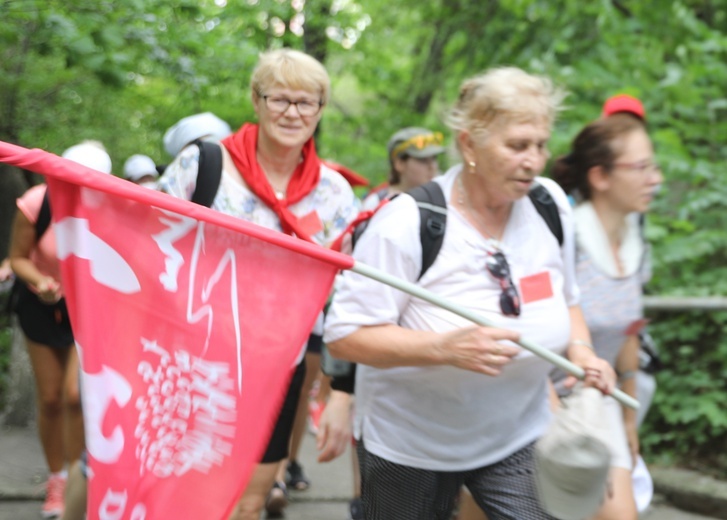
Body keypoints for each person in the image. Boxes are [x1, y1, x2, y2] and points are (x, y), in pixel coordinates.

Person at [323, 66, 616, 520]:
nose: (534, 161)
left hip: (518, 435)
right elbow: (344, 335)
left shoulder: (550, 204)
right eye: (517, 146)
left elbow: (568, 299)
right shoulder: (407, 221)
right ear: (469, 144)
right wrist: (443, 348)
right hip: (412, 446)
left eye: (540, 144)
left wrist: (581, 352)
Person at [156, 48, 358, 520]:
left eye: (306, 102)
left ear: (321, 109)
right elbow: (149, 241)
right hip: (197, 361)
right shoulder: (204, 165)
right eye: (279, 99)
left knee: (249, 502)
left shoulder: (333, 192)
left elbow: (348, 291)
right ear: (256, 100)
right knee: (190, 499)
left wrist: (341, 387)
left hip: (278, 366)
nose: (292, 112)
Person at [551, 112, 662, 520]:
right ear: (600, 177)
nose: (656, 179)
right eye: (642, 167)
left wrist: (629, 419)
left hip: (601, 401)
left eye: (654, 165)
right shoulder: (565, 239)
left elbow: (629, 331)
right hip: (537, 403)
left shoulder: (635, 240)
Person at [9, 140, 111, 519]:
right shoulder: (38, 202)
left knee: (75, 395)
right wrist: (42, 282)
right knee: (51, 398)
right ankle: (57, 479)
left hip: (87, 308)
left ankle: (78, 479)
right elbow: (18, 258)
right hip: (40, 304)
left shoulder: (110, 205)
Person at [360, 127, 446, 210]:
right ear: (399, 164)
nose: (432, 166)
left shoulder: (445, 199)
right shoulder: (375, 203)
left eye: (434, 158)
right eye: (423, 160)